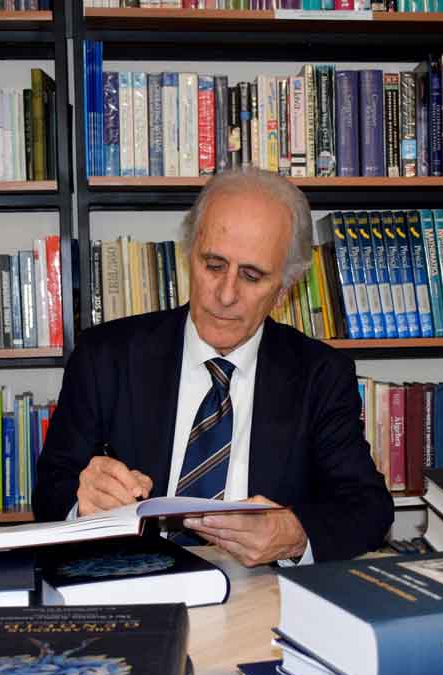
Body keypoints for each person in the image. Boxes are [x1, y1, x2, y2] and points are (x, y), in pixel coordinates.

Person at [32, 167, 393, 565]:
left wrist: (293, 536)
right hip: (131, 579)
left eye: (251, 276)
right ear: (190, 255)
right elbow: (51, 487)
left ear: (284, 290)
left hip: (262, 589)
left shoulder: (320, 374)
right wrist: (83, 503)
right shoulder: (105, 356)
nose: (225, 294)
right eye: (214, 265)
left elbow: (368, 507)